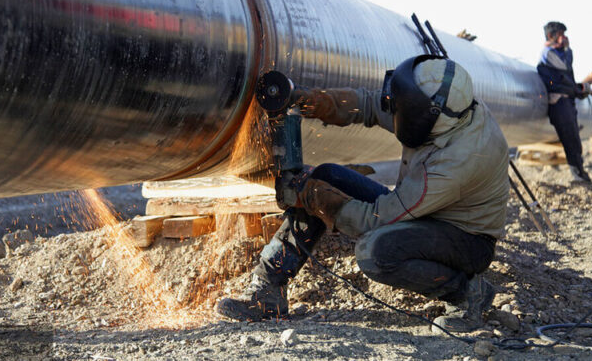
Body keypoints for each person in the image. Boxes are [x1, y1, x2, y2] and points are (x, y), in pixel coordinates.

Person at [216, 55, 510, 333]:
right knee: (324, 176)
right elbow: (368, 105)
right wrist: (310, 100)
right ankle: (267, 291)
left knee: (375, 252)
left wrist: (317, 199)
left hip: (464, 238)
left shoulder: (459, 159)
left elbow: (377, 220)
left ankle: (468, 293)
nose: (396, 109)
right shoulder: (435, 105)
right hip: (424, 211)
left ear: (426, 117)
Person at [536, 21, 592, 182]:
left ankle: (580, 173)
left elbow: (567, 78)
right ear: (550, 36)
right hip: (559, 104)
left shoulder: (559, 53)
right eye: (560, 34)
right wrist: (566, 49)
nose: (564, 38)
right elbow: (565, 66)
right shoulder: (548, 53)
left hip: (567, 102)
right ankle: (578, 175)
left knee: (574, 139)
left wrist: (578, 89)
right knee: (570, 139)